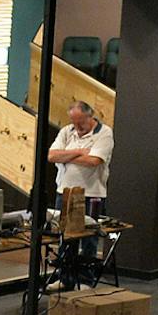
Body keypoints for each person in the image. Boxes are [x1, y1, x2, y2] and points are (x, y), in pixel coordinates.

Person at [45, 100, 111, 287]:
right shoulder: (66, 131)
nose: (77, 126)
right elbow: (52, 156)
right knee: (66, 238)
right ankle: (66, 278)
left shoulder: (104, 133)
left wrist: (66, 154)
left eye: (80, 122)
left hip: (91, 193)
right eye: (74, 122)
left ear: (90, 117)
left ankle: (85, 279)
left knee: (88, 241)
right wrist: (79, 152)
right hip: (65, 193)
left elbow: (94, 161)